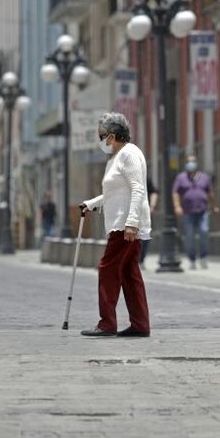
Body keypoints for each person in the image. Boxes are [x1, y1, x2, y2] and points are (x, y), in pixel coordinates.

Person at [79, 112, 151, 338]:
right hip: (121, 224)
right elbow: (114, 193)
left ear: (112, 136)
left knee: (108, 270)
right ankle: (140, 324)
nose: (100, 141)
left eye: (101, 136)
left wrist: (131, 223)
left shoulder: (129, 154)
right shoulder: (116, 158)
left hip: (125, 227)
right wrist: (91, 204)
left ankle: (107, 323)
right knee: (130, 275)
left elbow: (138, 188)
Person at [172, 154, 217, 269]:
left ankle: (203, 257)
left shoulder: (204, 177)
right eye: (188, 162)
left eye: (193, 161)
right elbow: (176, 193)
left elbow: (210, 193)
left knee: (204, 232)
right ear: (186, 164)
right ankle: (192, 259)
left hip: (203, 211)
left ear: (196, 163)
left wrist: (214, 206)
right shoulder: (181, 178)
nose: (191, 164)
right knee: (190, 237)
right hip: (188, 213)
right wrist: (177, 206)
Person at [138, 177, 158, 268]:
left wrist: (152, 206)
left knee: (145, 236)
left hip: (145, 212)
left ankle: (141, 259)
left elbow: (153, 192)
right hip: (131, 212)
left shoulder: (145, 178)